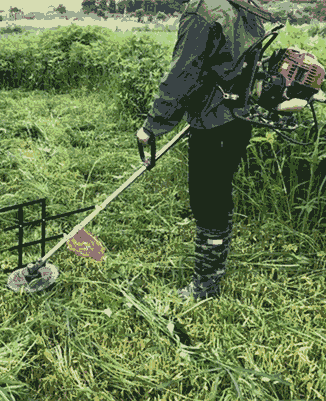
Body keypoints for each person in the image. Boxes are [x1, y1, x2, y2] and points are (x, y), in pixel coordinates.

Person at [136, 0, 278, 301]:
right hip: (239, 119)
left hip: (214, 123)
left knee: (207, 200)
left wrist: (152, 126)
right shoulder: (246, 6)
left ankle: (205, 286)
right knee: (219, 193)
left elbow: (182, 74)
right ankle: (213, 269)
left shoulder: (203, 11)